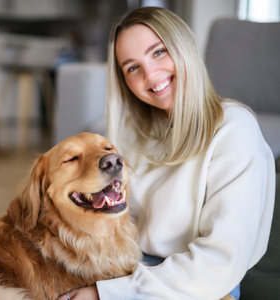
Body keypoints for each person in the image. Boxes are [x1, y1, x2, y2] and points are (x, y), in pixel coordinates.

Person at [58, 6, 275, 300]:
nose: (150, 74)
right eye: (132, 67)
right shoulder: (133, 135)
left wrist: (104, 294)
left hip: (197, 286)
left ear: (182, 48)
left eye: (158, 52)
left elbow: (219, 264)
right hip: (128, 268)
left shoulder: (235, 129)